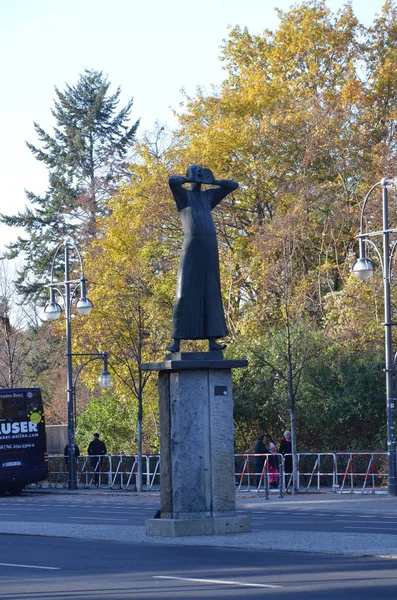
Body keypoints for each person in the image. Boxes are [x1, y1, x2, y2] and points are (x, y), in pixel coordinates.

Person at [166, 164, 239, 353]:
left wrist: (212, 180)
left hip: (209, 248)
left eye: (201, 172)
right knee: (183, 292)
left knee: (211, 291)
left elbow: (232, 185)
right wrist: (190, 178)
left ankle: (213, 340)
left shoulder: (208, 197)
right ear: (189, 175)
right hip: (192, 247)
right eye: (195, 172)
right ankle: (176, 340)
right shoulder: (184, 196)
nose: (199, 175)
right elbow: (172, 181)